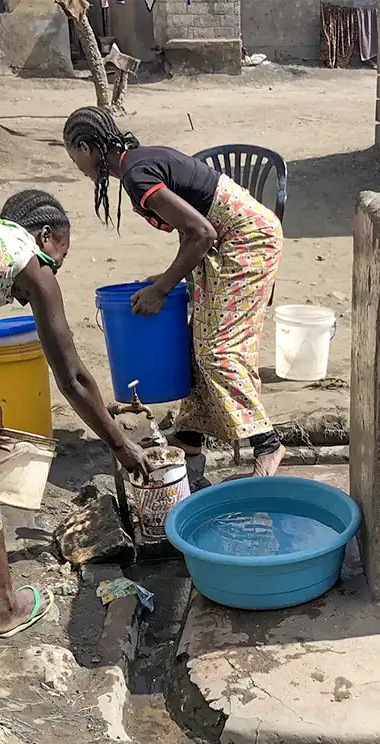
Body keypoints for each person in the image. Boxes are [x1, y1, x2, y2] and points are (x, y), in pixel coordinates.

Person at [0, 191, 148, 637]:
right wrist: (121, 444)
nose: (34, 299)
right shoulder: (32, 259)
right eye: (58, 260)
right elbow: (72, 378)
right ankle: (6, 608)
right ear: (44, 236)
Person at [62, 106, 286, 487]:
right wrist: (166, 275)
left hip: (247, 240)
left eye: (75, 157)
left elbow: (202, 232)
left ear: (87, 147)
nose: (78, 167)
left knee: (218, 352)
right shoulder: (138, 164)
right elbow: (193, 225)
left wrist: (162, 288)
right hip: (225, 241)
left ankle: (267, 444)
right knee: (194, 342)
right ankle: (190, 440)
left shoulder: (135, 174)